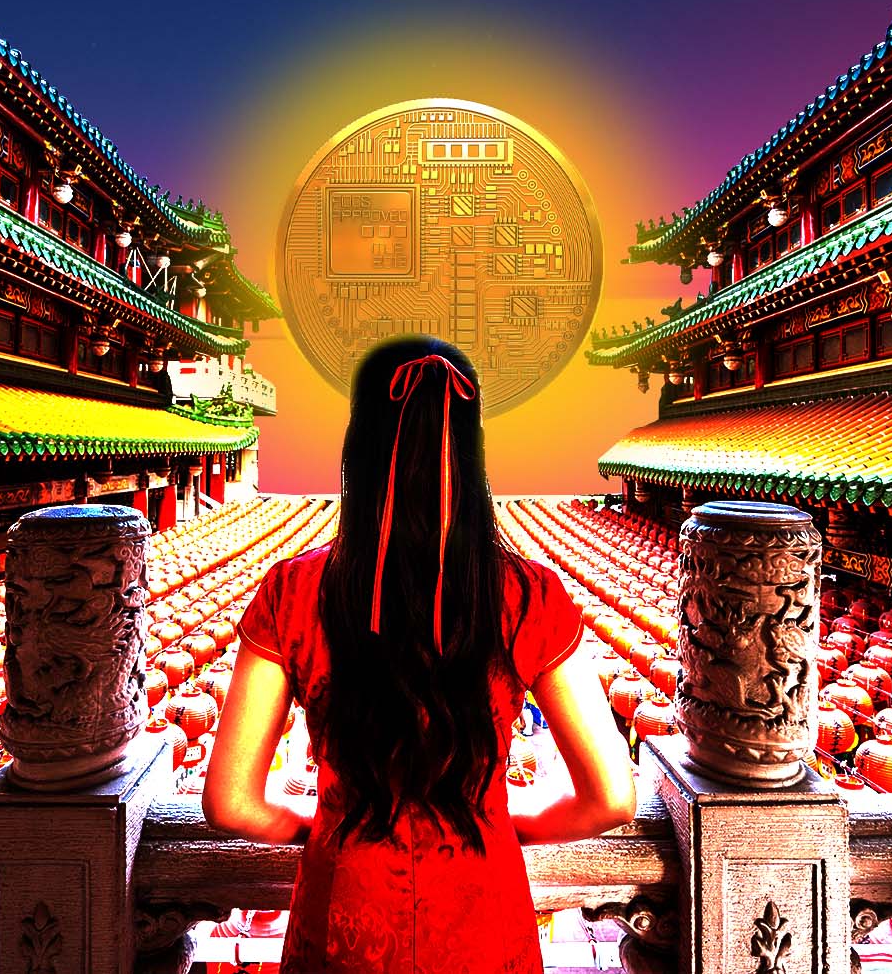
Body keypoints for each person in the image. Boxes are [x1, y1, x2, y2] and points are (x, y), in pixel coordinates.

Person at [204, 336, 636, 973]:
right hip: (482, 917)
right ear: (469, 453)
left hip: (344, 911)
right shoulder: (528, 597)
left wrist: (323, 825)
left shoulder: (292, 592)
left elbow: (230, 802)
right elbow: (611, 798)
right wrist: (498, 822)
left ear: (360, 447)